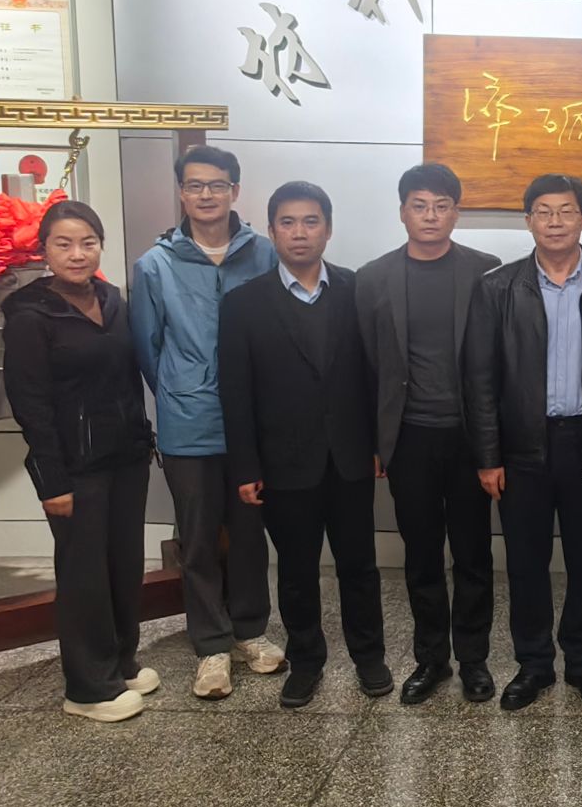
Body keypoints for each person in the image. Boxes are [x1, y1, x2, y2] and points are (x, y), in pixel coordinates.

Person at [220, 182, 391, 709]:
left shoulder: (357, 289)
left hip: (350, 457)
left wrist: (379, 443)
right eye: (288, 222)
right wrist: (245, 465)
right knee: (296, 570)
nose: (300, 232)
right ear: (272, 231)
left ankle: (369, 657)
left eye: (311, 221)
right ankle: (307, 661)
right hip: (283, 461)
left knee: (359, 565)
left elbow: (375, 375)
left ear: (328, 229)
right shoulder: (243, 304)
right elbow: (236, 392)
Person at [130, 144, 283, 701]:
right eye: (194, 185)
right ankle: (211, 645)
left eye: (217, 184)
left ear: (235, 191)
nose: (206, 194)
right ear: (181, 192)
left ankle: (249, 631)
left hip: (254, 424)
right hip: (188, 424)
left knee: (249, 534)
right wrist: (181, 392)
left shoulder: (263, 253)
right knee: (195, 539)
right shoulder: (155, 265)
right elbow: (147, 348)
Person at [464, 174, 582, 711]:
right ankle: (533, 664)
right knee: (526, 562)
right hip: (522, 447)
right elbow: (480, 380)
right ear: (528, 220)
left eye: (566, 211)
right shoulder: (497, 287)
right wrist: (488, 457)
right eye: (544, 212)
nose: (555, 222)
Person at [3, 201, 158, 723]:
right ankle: (88, 688)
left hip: (127, 457)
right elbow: (30, 405)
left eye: (88, 242)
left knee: (124, 565)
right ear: (44, 251)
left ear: (100, 247)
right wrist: (52, 480)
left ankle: (121, 661)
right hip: (75, 468)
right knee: (83, 574)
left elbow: (128, 378)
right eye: (64, 244)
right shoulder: (30, 315)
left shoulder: (111, 300)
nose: (77, 254)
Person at [356, 163, 498, 707]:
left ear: (456, 212)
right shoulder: (373, 278)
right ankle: (431, 659)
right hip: (408, 437)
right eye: (420, 205)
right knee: (421, 554)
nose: (431, 216)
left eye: (441, 206)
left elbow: (497, 365)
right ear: (402, 212)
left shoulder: (484, 271)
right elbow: (366, 366)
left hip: (469, 438)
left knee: (473, 553)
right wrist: (375, 439)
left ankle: (474, 660)